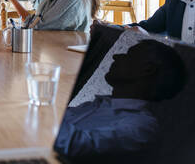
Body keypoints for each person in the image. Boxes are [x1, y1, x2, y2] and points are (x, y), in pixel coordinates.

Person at [55, 40, 187, 163]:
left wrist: (43, 105)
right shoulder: (95, 105)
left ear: (147, 69)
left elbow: (72, 145)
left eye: (129, 55)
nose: (116, 56)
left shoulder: (142, 126)